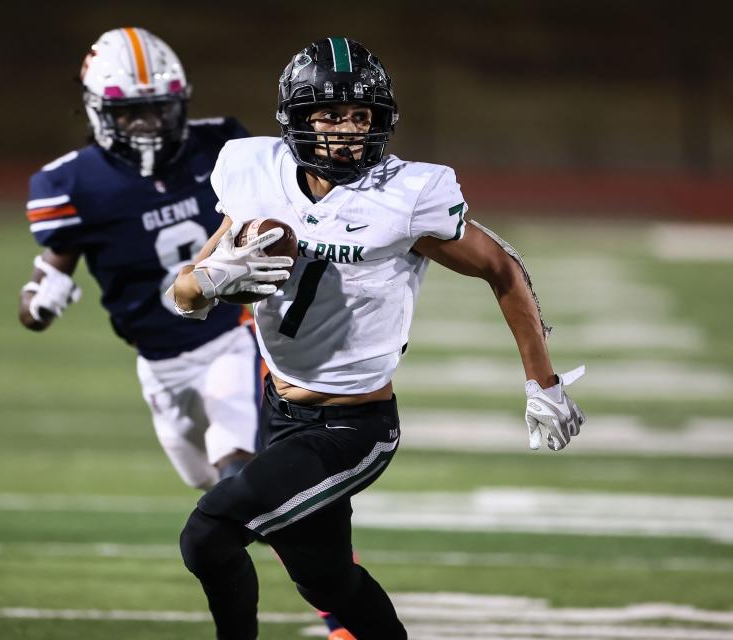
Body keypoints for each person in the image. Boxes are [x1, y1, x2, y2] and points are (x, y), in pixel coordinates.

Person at [170, 37, 587, 639]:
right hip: (279, 410)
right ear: (297, 118)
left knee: (208, 536)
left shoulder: (407, 195)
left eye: (361, 115)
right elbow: (182, 295)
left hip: (351, 425)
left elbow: (501, 267)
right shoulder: (251, 171)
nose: (347, 130)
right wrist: (209, 281)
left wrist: (542, 382)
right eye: (331, 114)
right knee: (327, 581)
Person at [17, 27, 357, 639]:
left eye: (159, 108)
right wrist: (40, 297)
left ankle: (342, 618)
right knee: (209, 477)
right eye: (132, 111)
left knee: (244, 478)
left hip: (234, 334)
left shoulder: (222, 144)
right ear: (98, 111)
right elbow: (52, 267)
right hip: (159, 362)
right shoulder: (67, 184)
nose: (148, 124)